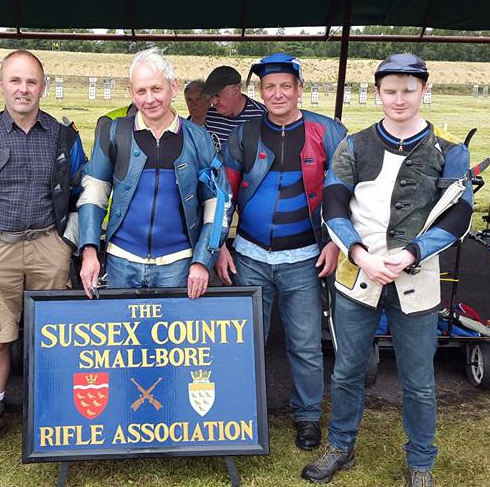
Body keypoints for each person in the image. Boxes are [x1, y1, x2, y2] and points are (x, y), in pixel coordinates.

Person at [305, 53, 473, 486]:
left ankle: (421, 463)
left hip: (416, 280)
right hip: (358, 276)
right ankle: (340, 446)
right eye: (391, 91)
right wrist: (360, 254)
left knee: (419, 381)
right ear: (378, 92)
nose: (400, 99)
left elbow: (459, 215)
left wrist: (413, 253)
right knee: (347, 371)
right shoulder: (354, 145)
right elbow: (334, 204)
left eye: (409, 90)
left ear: (424, 90)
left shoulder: (450, 151)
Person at [0, 50, 86, 456]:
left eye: (31, 82)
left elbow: (84, 189)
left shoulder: (64, 137)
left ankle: (55, 409)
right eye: (15, 81)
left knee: (56, 337)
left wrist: (68, 242)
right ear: (1, 85)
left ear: (43, 87)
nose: (23, 89)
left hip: (49, 246)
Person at [216, 52, 345, 452]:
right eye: (269, 87)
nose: (277, 94)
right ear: (260, 91)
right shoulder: (245, 134)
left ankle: (307, 416)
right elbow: (223, 194)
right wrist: (218, 245)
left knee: (305, 344)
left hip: (305, 258)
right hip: (250, 257)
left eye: (285, 86)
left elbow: (347, 194)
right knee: (245, 341)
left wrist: (336, 243)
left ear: (299, 89)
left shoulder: (328, 131)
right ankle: (241, 412)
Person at [78, 48, 230, 299]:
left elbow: (219, 202)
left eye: (156, 89)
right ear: (131, 92)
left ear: (173, 86)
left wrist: (202, 260)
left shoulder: (198, 138)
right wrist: (89, 250)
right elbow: (93, 195)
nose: (149, 99)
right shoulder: (113, 133)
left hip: (179, 264)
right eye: (141, 91)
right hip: (120, 262)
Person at [203, 65, 266, 151]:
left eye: (217, 95)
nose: (214, 102)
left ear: (236, 90)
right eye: (211, 96)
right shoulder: (209, 115)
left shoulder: (261, 116)